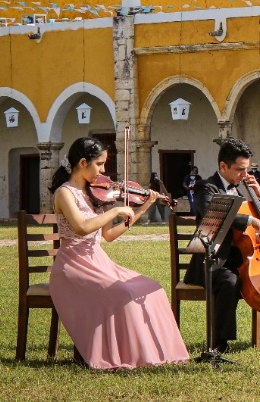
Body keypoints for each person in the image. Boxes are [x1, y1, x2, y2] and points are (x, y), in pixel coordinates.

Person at [48, 137, 189, 369]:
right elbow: (81, 227)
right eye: (99, 164)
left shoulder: (95, 195)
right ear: (83, 162)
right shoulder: (65, 193)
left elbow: (109, 235)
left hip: (99, 261)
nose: (103, 171)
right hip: (72, 267)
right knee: (123, 292)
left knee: (151, 288)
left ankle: (158, 353)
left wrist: (142, 208)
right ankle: (129, 355)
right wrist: (114, 211)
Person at [184, 138, 260, 351]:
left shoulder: (243, 189)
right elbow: (210, 211)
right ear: (223, 166)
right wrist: (249, 220)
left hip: (247, 259)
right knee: (230, 281)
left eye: (247, 170)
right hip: (216, 261)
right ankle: (220, 343)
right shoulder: (206, 187)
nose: (245, 175)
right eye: (240, 170)